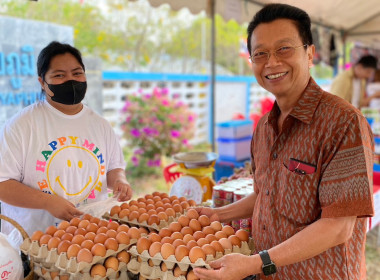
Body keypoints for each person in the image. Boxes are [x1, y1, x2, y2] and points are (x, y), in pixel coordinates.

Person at [194, 4, 374, 280]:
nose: (272, 62)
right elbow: (265, 194)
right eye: (260, 54)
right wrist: (218, 214)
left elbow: (339, 226)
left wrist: (256, 263)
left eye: (284, 49)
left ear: (310, 53)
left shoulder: (344, 122)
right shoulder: (264, 128)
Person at [0, 41, 133, 237]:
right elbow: (2, 184)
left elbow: (114, 168)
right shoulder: (21, 125)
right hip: (35, 242)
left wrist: (120, 181)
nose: (71, 80)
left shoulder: (100, 125)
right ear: (42, 82)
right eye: (59, 75)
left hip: (92, 236)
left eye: (77, 73)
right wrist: (46, 201)